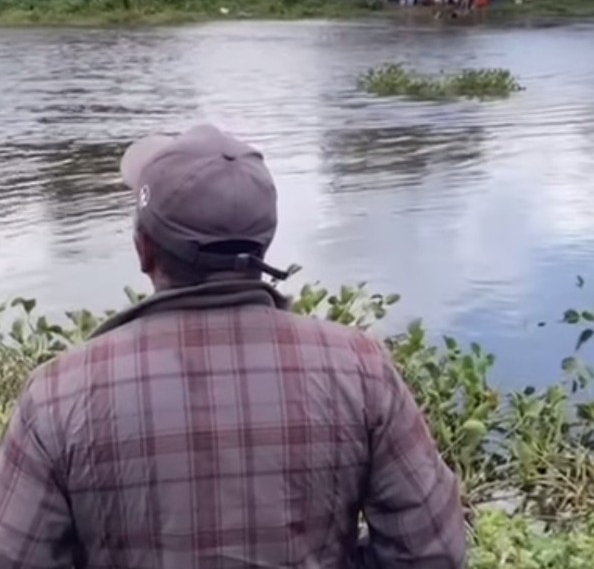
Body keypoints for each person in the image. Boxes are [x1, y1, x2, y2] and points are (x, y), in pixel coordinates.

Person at [0, 124, 467, 568]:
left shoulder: (57, 393)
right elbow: (432, 553)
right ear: (264, 245)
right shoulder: (360, 366)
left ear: (144, 250)